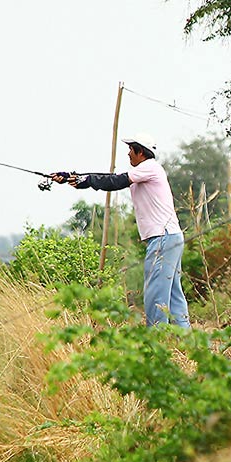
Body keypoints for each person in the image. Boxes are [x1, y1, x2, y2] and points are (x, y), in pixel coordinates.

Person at [52, 133, 190, 329]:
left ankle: (156, 343)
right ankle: (185, 342)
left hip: (163, 237)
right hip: (170, 237)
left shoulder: (149, 167)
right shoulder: (146, 170)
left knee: (155, 293)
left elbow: (116, 182)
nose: (128, 153)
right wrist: (73, 178)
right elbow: (111, 178)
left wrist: (86, 180)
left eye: (130, 149)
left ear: (140, 152)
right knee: (173, 293)